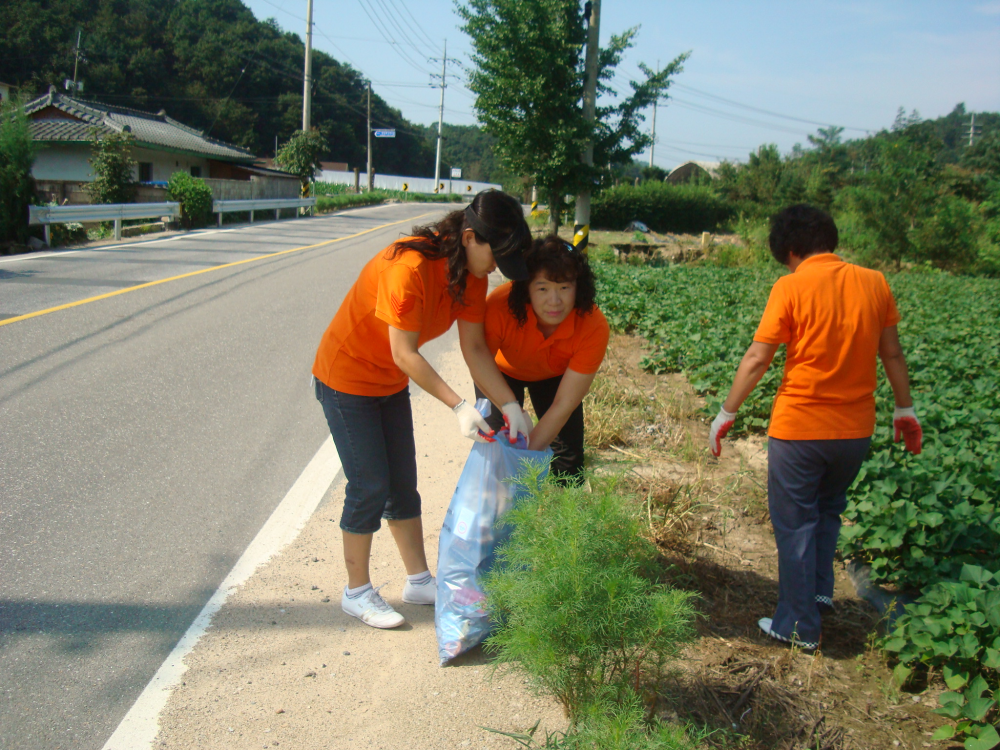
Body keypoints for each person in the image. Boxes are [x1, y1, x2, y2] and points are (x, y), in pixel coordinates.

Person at [312, 190, 534, 630]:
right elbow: (404, 353)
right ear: (469, 236)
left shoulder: (469, 274)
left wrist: (509, 402)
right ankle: (356, 591)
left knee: (403, 482)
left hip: (388, 384)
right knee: (370, 484)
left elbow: (473, 347)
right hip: (346, 379)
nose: (495, 270)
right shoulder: (408, 268)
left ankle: (418, 581)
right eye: (495, 257)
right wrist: (458, 406)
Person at [708, 203, 922, 651]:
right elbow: (893, 355)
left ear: (788, 249)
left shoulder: (791, 285)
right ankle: (820, 595)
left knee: (795, 525)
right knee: (826, 511)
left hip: (801, 429)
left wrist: (727, 413)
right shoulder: (875, 282)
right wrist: (905, 410)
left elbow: (758, 357)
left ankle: (798, 626)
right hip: (855, 431)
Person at [475, 235, 610, 483]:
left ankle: (559, 519)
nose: (554, 301)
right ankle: (495, 513)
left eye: (564, 288)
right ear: (526, 287)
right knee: (496, 449)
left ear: (578, 288)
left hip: (553, 376)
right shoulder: (499, 306)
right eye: (543, 288)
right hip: (501, 374)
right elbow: (478, 361)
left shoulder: (593, 326)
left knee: (568, 459)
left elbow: (563, 405)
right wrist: (508, 408)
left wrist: (524, 458)